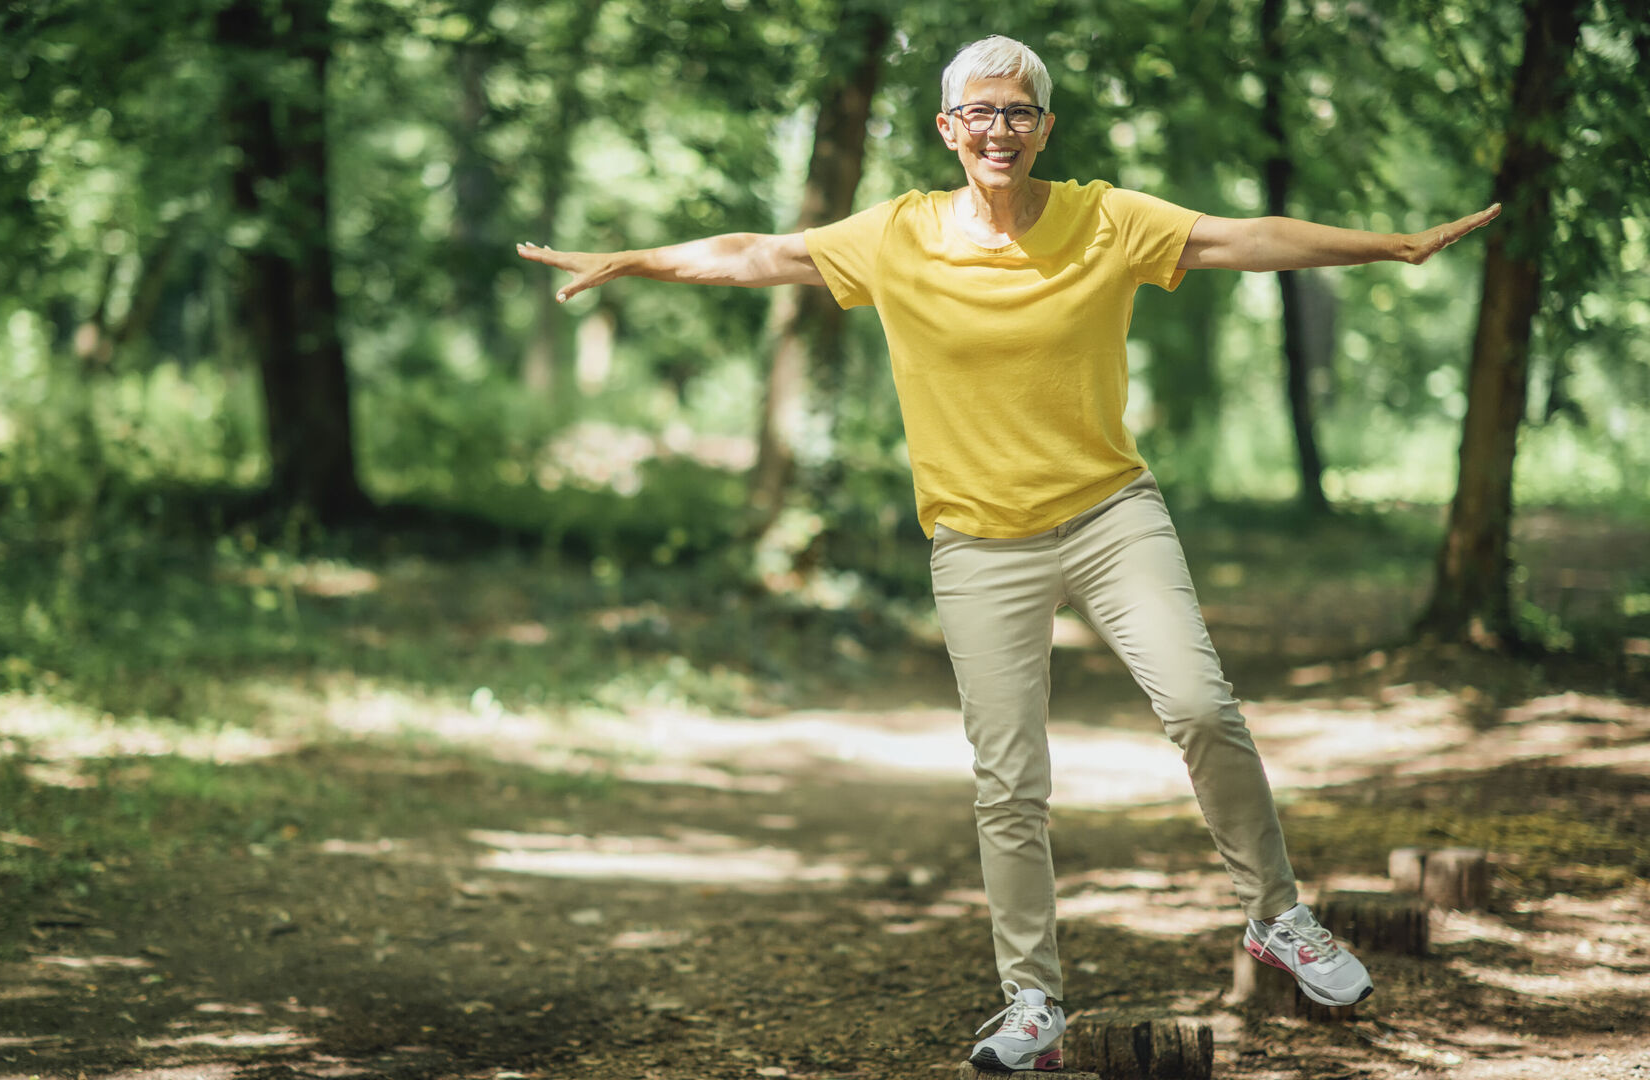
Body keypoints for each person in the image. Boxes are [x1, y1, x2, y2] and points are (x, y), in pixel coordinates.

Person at [519, 33, 1497, 1074]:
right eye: (979, 113)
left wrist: (1388, 246)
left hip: (1111, 513)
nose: (999, 129)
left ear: (1045, 128)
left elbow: (1242, 237)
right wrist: (629, 261)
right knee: (1010, 781)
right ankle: (1033, 995)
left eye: (1018, 111)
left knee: (1203, 709)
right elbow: (762, 253)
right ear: (949, 130)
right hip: (980, 541)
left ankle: (1275, 916)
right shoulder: (896, 235)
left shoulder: (1106, 218)